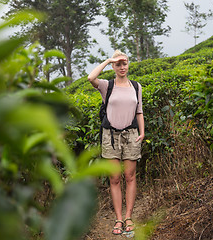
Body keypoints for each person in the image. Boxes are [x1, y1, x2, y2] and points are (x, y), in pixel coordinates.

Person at [87, 50, 145, 235]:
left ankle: (128, 216)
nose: (122, 67)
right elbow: (90, 77)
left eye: (124, 63)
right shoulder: (106, 86)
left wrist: (142, 132)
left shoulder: (136, 86)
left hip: (131, 135)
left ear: (128, 64)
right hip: (110, 136)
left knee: (130, 176)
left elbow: (139, 111)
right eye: (118, 64)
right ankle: (118, 219)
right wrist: (107, 60)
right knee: (115, 178)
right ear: (113, 66)